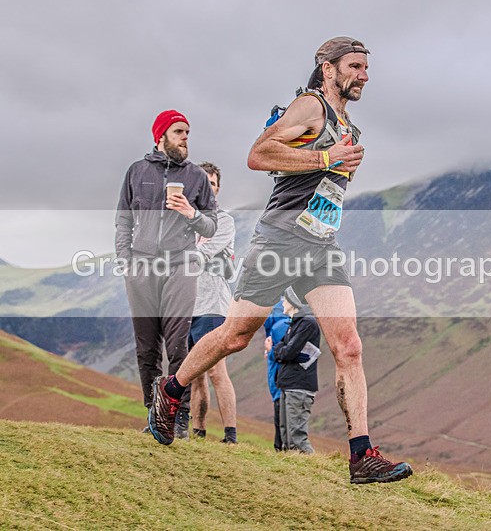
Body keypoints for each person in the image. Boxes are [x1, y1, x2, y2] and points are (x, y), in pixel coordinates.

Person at [148, 37, 413, 484]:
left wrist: (335, 164)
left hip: (320, 245)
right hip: (279, 241)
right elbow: (258, 155)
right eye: (354, 66)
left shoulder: (350, 126)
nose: (363, 75)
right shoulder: (310, 107)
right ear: (328, 69)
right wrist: (327, 156)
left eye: (366, 68)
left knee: (348, 346)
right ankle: (170, 390)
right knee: (235, 336)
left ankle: (361, 455)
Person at [115, 110, 217, 436]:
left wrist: (190, 212)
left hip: (181, 264)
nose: (185, 137)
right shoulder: (137, 171)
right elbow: (123, 220)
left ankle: (179, 418)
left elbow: (211, 225)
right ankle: (153, 415)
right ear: (160, 136)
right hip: (142, 266)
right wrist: (126, 261)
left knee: (177, 346)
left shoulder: (197, 177)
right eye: (178, 131)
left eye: (187, 131)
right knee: (146, 347)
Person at [187, 161, 239, 444]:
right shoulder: (182, 220)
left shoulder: (224, 221)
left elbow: (202, 252)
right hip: (185, 305)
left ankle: (230, 434)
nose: (208, 188)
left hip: (213, 305)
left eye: (213, 184)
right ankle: (198, 432)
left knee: (217, 370)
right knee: (194, 374)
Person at [275, 287, 320, 454]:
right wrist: (283, 351)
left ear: (293, 302)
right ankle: (293, 472)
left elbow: (287, 351)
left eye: (285, 299)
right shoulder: (293, 325)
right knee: (287, 437)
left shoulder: (307, 323)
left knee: (297, 438)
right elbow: (280, 348)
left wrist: (283, 351)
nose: (282, 302)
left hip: (299, 386)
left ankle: (315, 468)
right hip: (288, 384)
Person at [263, 298, 289, 451]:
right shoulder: (280, 322)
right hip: (278, 377)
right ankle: (280, 446)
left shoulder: (280, 324)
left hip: (280, 379)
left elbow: (281, 353)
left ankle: (280, 447)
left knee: (280, 405)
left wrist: (271, 351)